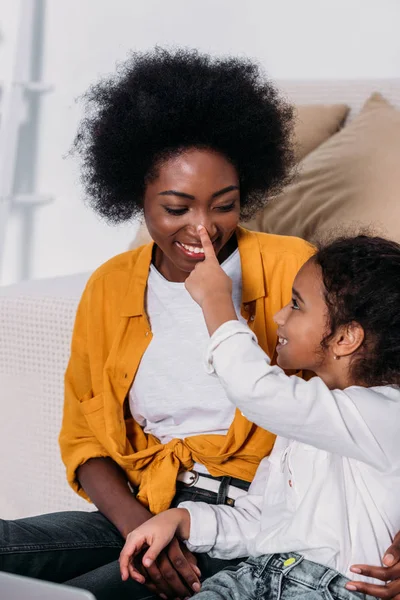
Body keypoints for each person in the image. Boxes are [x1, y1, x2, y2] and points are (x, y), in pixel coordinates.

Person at [0, 48, 399, 600]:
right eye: (176, 207)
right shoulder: (109, 285)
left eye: (224, 205)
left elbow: (369, 411)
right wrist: (144, 528)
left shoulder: (296, 270)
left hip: (248, 524)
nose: (203, 229)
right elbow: (84, 439)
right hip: (148, 507)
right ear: (135, 194)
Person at [119, 229, 400, 600]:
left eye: (296, 305)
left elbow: (257, 390)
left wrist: (217, 304)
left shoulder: (385, 413)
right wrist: (182, 519)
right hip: (255, 576)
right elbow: (262, 522)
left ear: (346, 338)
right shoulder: (301, 423)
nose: (280, 316)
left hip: (332, 589)